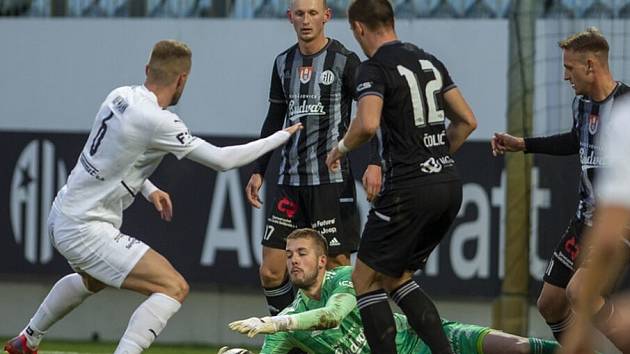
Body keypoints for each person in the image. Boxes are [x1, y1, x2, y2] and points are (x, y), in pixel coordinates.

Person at [3, 40, 301, 354]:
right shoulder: (160, 121)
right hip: (85, 228)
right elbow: (223, 160)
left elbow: (113, 158)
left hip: (62, 212)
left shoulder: (119, 96)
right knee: (172, 287)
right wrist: (281, 136)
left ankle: (28, 339)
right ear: (182, 80)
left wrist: (149, 188)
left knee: (92, 281)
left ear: (147, 70)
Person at [325, 1, 478, 353]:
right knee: (394, 276)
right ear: (391, 22)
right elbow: (468, 120)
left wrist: (341, 149)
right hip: (448, 185)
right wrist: (435, 158)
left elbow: (367, 123)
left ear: (358, 29)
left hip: (407, 190)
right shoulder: (429, 61)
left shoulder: (373, 68)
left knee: (363, 278)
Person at [490, 27, 629, 347]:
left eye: (569, 68)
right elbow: (573, 140)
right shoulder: (582, 105)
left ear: (591, 66)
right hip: (584, 219)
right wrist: (522, 144)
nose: (565, 77)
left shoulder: (626, 108)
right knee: (549, 304)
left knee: (580, 291)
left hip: (620, 222)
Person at [245, 0, 382, 320]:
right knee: (271, 270)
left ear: (326, 17)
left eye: (312, 13)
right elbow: (273, 119)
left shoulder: (346, 61)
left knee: (336, 270)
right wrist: (258, 169)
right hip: (290, 183)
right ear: (289, 17)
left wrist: (376, 161)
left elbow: (371, 114)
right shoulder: (283, 63)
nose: (306, 20)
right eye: (299, 14)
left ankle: (344, 338)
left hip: (331, 184)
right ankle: (287, 336)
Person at [225, 228, 560, 354]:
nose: (293, 261)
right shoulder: (288, 320)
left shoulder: (344, 278)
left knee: (515, 348)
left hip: (425, 338)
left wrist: (274, 323)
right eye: (288, 255)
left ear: (323, 260)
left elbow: (332, 316)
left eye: (302, 253)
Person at [559, 94, 630, 354]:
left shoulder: (625, 117)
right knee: (555, 299)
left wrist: (579, 333)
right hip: (589, 217)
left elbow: (608, 240)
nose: (567, 77)